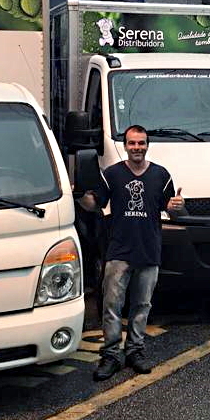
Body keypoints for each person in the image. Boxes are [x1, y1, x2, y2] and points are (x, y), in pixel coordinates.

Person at [79, 124, 185, 382]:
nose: (137, 147)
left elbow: (173, 210)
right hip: (118, 251)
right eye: (132, 143)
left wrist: (177, 206)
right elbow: (95, 203)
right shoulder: (112, 174)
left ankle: (135, 351)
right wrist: (81, 194)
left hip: (149, 251)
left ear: (147, 145)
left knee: (142, 306)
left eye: (141, 143)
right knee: (112, 306)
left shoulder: (161, 175)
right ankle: (111, 355)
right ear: (125, 146)